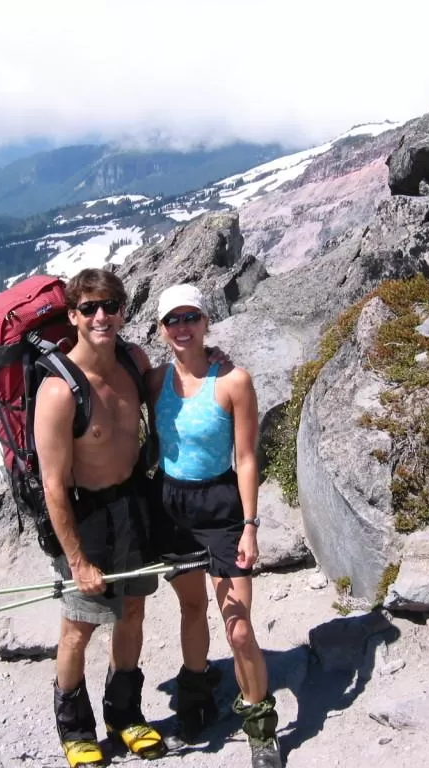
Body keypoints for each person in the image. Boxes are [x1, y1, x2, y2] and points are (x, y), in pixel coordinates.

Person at [147, 283, 283, 768]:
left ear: (206, 322)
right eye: (172, 320)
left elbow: (247, 457)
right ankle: (198, 696)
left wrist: (250, 525)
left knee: (239, 628)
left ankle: (260, 724)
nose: (182, 328)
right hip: (172, 507)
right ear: (161, 329)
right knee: (190, 609)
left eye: (191, 318)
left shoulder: (233, 381)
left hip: (222, 506)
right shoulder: (154, 377)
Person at [34, 268, 166, 768]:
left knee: (132, 611)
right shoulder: (59, 391)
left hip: (132, 503)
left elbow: (174, 388)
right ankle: (74, 728)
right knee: (79, 627)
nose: (101, 316)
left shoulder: (133, 361)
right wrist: (77, 559)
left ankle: (125, 714)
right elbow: (52, 486)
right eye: (88, 308)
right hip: (84, 514)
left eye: (110, 305)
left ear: (123, 309)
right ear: (72, 316)